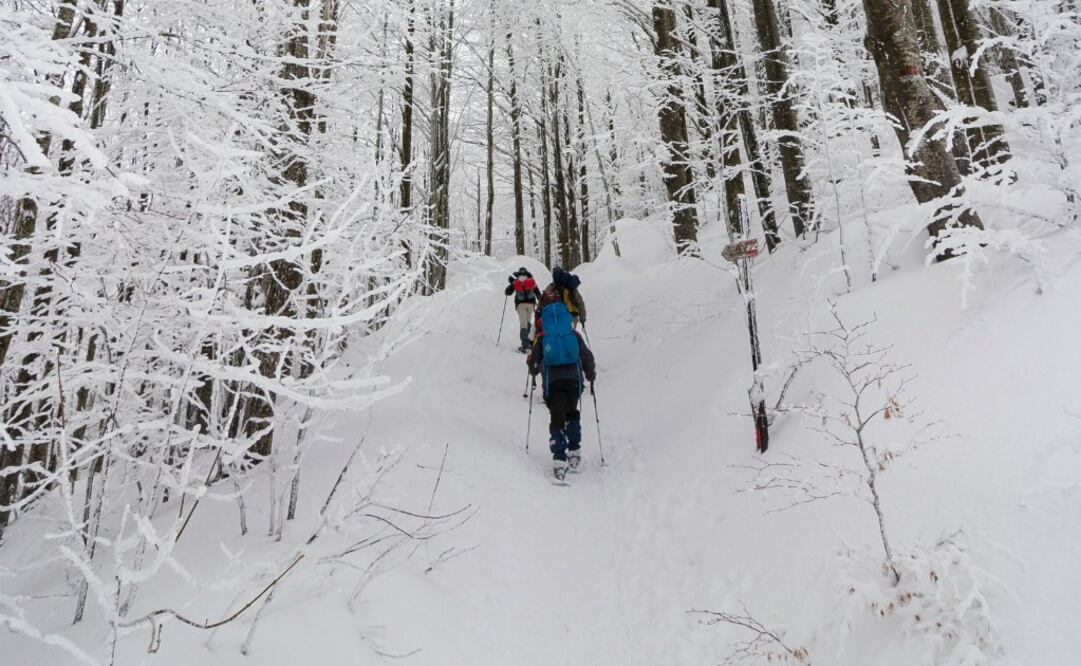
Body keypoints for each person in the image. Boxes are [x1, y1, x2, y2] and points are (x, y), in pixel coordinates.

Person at [528, 288, 596, 482]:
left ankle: (559, 459)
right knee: (572, 411)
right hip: (574, 380)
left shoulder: (543, 337)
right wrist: (590, 374)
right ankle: (574, 450)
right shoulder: (573, 334)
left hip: (553, 382)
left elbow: (533, 362)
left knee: (556, 416)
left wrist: (533, 370)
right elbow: (587, 357)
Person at [504, 267, 541, 352]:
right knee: (527, 322)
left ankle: (525, 346)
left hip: (520, 305)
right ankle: (530, 343)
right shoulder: (530, 280)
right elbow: (537, 292)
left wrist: (508, 290)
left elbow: (508, 292)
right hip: (531, 305)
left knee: (523, 324)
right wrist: (541, 301)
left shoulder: (516, 281)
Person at [551, 265, 587, 330]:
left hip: (559, 316)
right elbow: (580, 302)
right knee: (569, 335)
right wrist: (582, 318)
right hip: (573, 315)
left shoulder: (553, 286)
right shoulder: (571, 285)